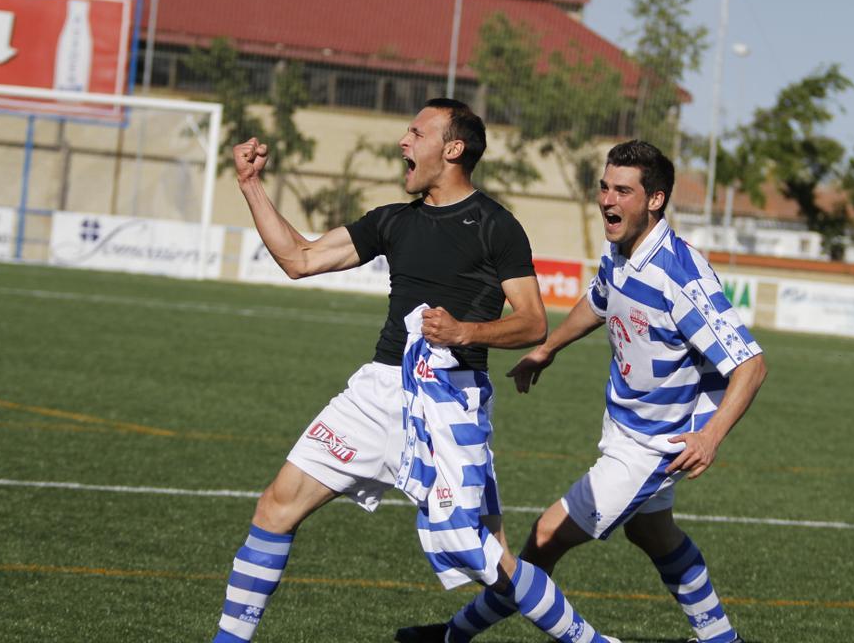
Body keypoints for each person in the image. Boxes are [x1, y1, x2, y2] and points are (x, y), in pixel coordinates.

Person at [213, 98, 622, 643]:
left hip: (449, 401)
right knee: (275, 506)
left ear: (452, 149)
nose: (403, 142)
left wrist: (466, 332)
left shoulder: (496, 226)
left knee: (487, 557)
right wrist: (250, 185)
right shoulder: (392, 221)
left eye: (416, 132)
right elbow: (300, 259)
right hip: (377, 392)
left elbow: (531, 323)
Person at [396, 140, 768, 643]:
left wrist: (711, 437)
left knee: (546, 537)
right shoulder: (621, 252)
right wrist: (547, 348)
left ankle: (453, 635)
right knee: (653, 533)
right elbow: (598, 302)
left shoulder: (679, 274)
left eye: (623, 191)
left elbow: (750, 363)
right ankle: (723, 639)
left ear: (655, 200)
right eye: (604, 187)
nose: (607, 201)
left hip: (658, 442)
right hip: (624, 425)